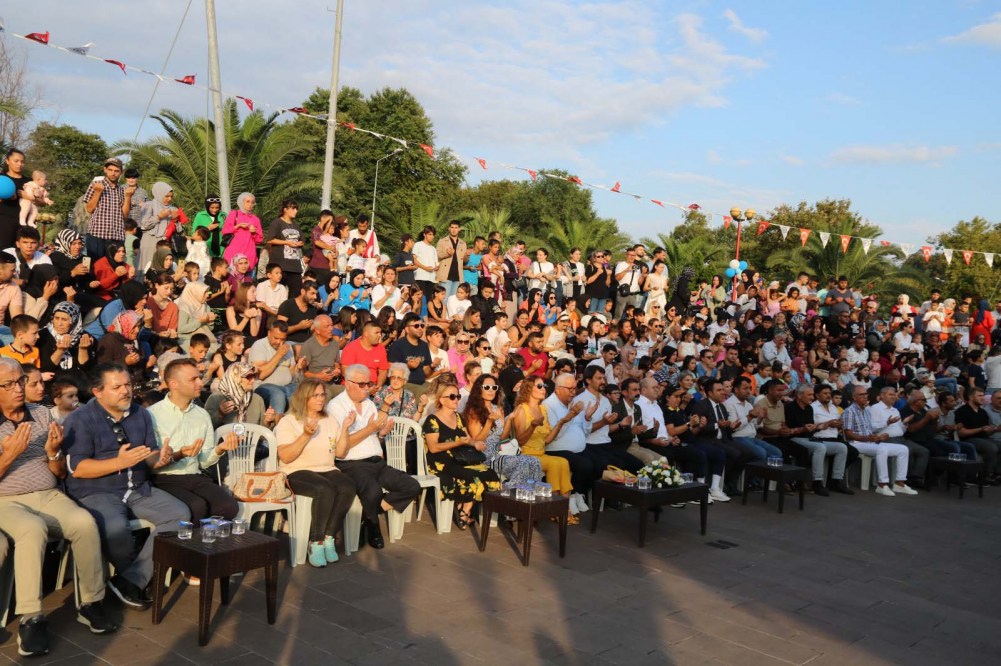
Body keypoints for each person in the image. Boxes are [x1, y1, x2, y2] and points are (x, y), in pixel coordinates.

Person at [0, 358, 119, 656]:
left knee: (84, 522)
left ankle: (91, 602)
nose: (19, 388)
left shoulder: (42, 414)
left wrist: (53, 453)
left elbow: (59, 472)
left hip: (48, 493)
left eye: (21, 381)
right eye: (9, 384)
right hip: (6, 500)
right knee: (32, 528)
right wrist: (10, 454)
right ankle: (31, 618)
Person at [62, 363, 190, 609]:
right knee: (116, 529)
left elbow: (150, 455)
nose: (125, 391)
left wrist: (160, 458)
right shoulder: (80, 419)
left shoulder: (141, 414)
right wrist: (119, 462)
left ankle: (130, 580)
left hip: (137, 488)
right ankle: (137, 579)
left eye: (128, 385)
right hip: (96, 491)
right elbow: (78, 468)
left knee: (180, 516)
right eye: (117, 387)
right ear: (98, 392)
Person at [326, 364, 421, 549]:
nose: (366, 388)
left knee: (411, 486)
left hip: (376, 461)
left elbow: (374, 435)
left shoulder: (369, 403)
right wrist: (370, 429)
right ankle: (374, 527)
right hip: (352, 463)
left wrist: (381, 432)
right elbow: (341, 447)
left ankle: (369, 515)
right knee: (373, 491)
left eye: (368, 383)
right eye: (362, 384)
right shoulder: (336, 406)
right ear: (348, 383)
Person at [149, 358, 239, 541]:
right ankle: (188, 554)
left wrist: (220, 448)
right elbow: (150, 461)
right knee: (197, 506)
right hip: (163, 478)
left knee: (228, 506)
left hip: (195, 476)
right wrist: (177, 454)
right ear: (173, 384)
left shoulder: (201, 414)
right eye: (193, 379)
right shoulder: (152, 414)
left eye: (199, 377)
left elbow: (203, 461)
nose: (200, 383)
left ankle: (208, 549)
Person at [275, 381, 357, 567]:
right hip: (295, 471)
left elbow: (340, 453)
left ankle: (329, 537)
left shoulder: (329, 420)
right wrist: (306, 435)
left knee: (347, 486)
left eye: (322, 395)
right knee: (324, 488)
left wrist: (345, 428)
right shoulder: (289, 421)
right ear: (304, 398)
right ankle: (316, 541)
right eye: (315, 396)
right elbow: (286, 456)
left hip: (326, 468)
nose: (321, 399)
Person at [422, 382, 501, 530]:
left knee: (489, 473)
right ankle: (463, 511)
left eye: (458, 396)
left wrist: (474, 443)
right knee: (473, 476)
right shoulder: (432, 420)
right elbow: (433, 448)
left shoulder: (458, 417)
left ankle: (464, 509)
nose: (457, 399)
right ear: (441, 400)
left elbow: (466, 438)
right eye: (452, 396)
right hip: (441, 462)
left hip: (459, 459)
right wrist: (457, 443)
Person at [841, 385, 918, 497]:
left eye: (866, 394)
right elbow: (848, 434)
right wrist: (869, 438)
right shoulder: (849, 411)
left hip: (870, 442)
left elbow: (871, 429)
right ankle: (882, 485)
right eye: (861, 394)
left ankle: (899, 483)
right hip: (856, 443)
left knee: (903, 449)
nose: (865, 396)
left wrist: (879, 436)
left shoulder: (866, 410)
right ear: (854, 397)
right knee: (882, 449)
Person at [783, 384, 853, 495]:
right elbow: (788, 430)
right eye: (809, 395)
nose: (812, 397)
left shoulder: (809, 408)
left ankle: (836, 480)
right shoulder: (790, 408)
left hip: (808, 438)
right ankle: (817, 482)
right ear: (800, 396)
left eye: (812, 395)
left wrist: (819, 427)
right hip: (794, 438)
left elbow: (811, 428)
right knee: (820, 447)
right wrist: (805, 429)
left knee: (842, 447)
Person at [867, 386, 930, 487]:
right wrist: (887, 423)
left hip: (900, 438)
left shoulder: (895, 410)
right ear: (882, 396)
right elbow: (872, 428)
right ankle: (902, 480)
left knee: (923, 451)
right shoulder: (875, 408)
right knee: (908, 449)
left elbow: (900, 430)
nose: (893, 397)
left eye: (894, 395)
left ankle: (915, 478)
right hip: (885, 439)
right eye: (890, 394)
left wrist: (904, 423)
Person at [82, 157, 134, 260]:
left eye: (116, 171)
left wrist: (128, 197)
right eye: (110, 170)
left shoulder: (122, 190)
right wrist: (98, 192)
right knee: (95, 266)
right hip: (97, 234)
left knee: (114, 266)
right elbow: (89, 209)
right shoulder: (96, 185)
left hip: (116, 236)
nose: (113, 173)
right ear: (105, 169)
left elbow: (125, 215)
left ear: (121, 172)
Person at [204, 361, 276, 430]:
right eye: (249, 377)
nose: (253, 380)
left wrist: (267, 421)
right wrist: (220, 414)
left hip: (251, 439)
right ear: (235, 378)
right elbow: (206, 427)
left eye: (254, 376)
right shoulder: (215, 398)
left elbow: (263, 431)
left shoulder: (257, 400)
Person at [248, 320, 297, 415]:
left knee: (305, 391)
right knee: (278, 395)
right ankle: (276, 423)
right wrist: (279, 355)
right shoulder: (259, 345)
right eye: (276, 338)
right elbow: (261, 375)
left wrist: (299, 367)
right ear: (269, 333)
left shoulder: (288, 347)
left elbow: (292, 373)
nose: (279, 342)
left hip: (287, 386)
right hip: (264, 387)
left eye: (283, 339)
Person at [137, 182, 179, 274]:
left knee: (165, 270)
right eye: (166, 196)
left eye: (171, 196)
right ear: (159, 194)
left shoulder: (174, 209)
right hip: (150, 242)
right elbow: (144, 225)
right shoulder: (149, 205)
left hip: (166, 243)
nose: (169, 199)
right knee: (148, 268)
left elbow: (180, 231)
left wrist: (175, 220)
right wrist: (159, 216)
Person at [388, 313, 432, 396]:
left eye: (422, 326)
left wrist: (432, 366)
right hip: (405, 385)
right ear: (407, 330)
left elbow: (427, 373)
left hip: (422, 383)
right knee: (423, 393)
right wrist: (407, 366)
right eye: (416, 326)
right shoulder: (397, 345)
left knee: (439, 390)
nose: (420, 328)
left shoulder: (424, 345)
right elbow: (391, 370)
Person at [265, 200, 304, 295]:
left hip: (295, 266)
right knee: (277, 292)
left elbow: (302, 241)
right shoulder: (277, 222)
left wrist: (299, 243)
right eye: (293, 208)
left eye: (296, 209)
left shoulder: (296, 225)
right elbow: (270, 240)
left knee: (296, 293)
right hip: (280, 265)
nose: (296, 211)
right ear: (285, 209)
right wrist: (287, 242)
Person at [340, 320, 388, 390]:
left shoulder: (380, 348)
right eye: (376, 333)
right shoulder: (351, 348)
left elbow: (383, 371)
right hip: (353, 388)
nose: (380, 335)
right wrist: (364, 388)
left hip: (373, 387)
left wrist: (378, 386)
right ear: (366, 334)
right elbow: (346, 372)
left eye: (380, 333)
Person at [222, 193, 264, 271]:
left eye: (252, 202)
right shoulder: (234, 214)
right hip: (233, 254)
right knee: (231, 277)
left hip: (249, 256)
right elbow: (225, 231)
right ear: (241, 202)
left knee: (247, 278)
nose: (250, 204)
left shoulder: (255, 219)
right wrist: (238, 226)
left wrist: (253, 233)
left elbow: (260, 240)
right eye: (247, 201)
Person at [299, 314, 342, 387]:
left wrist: (337, 371)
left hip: (331, 384)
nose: (331, 329)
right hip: (314, 385)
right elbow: (303, 373)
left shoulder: (335, 343)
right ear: (317, 330)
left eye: (332, 325)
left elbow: (336, 364)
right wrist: (318, 376)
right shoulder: (308, 345)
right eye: (327, 326)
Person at [176, 281, 216, 352]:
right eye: (204, 292)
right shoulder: (185, 308)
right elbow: (181, 329)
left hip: (205, 338)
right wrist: (199, 321)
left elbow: (210, 329)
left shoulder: (205, 306)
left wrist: (210, 322)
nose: (207, 295)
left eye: (207, 292)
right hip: (188, 340)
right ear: (195, 293)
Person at [277, 280, 319, 345]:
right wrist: (298, 327)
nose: (315, 297)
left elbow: (312, 332)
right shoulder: (287, 305)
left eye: (316, 294)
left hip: (307, 344)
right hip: (289, 342)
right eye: (312, 293)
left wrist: (313, 329)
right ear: (303, 292)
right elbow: (279, 330)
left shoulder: (312, 309)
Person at [436, 220, 467, 298]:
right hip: (446, 275)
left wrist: (466, 257)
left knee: (453, 300)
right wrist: (447, 254)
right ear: (449, 228)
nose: (454, 230)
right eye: (452, 227)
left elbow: (464, 260)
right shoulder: (442, 241)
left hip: (458, 276)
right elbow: (437, 255)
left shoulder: (463, 243)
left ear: (459, 229)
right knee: (444, 299)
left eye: (456, 228)